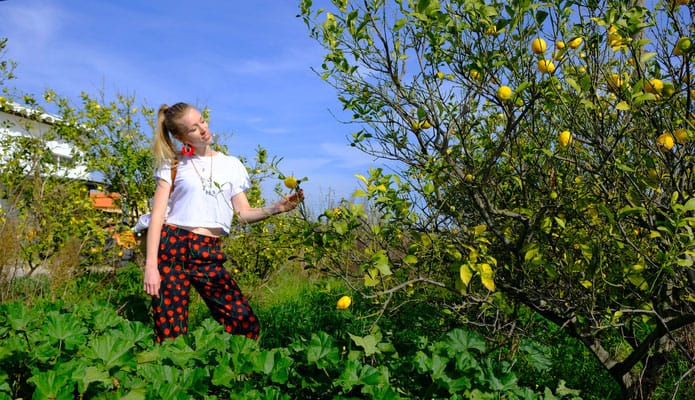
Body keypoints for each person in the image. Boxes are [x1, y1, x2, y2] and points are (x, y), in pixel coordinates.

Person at [143, 102, 303, 343]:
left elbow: (243, 213)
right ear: (180, 137)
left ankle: (236, 375)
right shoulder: (173, 165)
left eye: (202, 121)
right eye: (193, 129)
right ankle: (174, 378)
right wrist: (151, 266)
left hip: (207, 250)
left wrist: (276, 208)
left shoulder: (232, 165)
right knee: (170, 334)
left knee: (244, 322)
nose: (203, 129)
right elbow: (157, 217)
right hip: (172, 247)